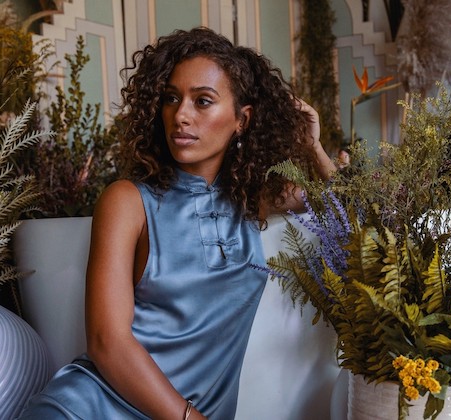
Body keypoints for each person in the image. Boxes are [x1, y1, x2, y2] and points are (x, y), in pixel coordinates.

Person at [18, 26, 335, 420]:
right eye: (171, 98)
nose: (181, 115)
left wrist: (314, 149)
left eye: (203, 101)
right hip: (89, 409)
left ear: (242, 119)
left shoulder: (252, 199)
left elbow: (344, 212)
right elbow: (106, 342)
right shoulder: (127, 200)